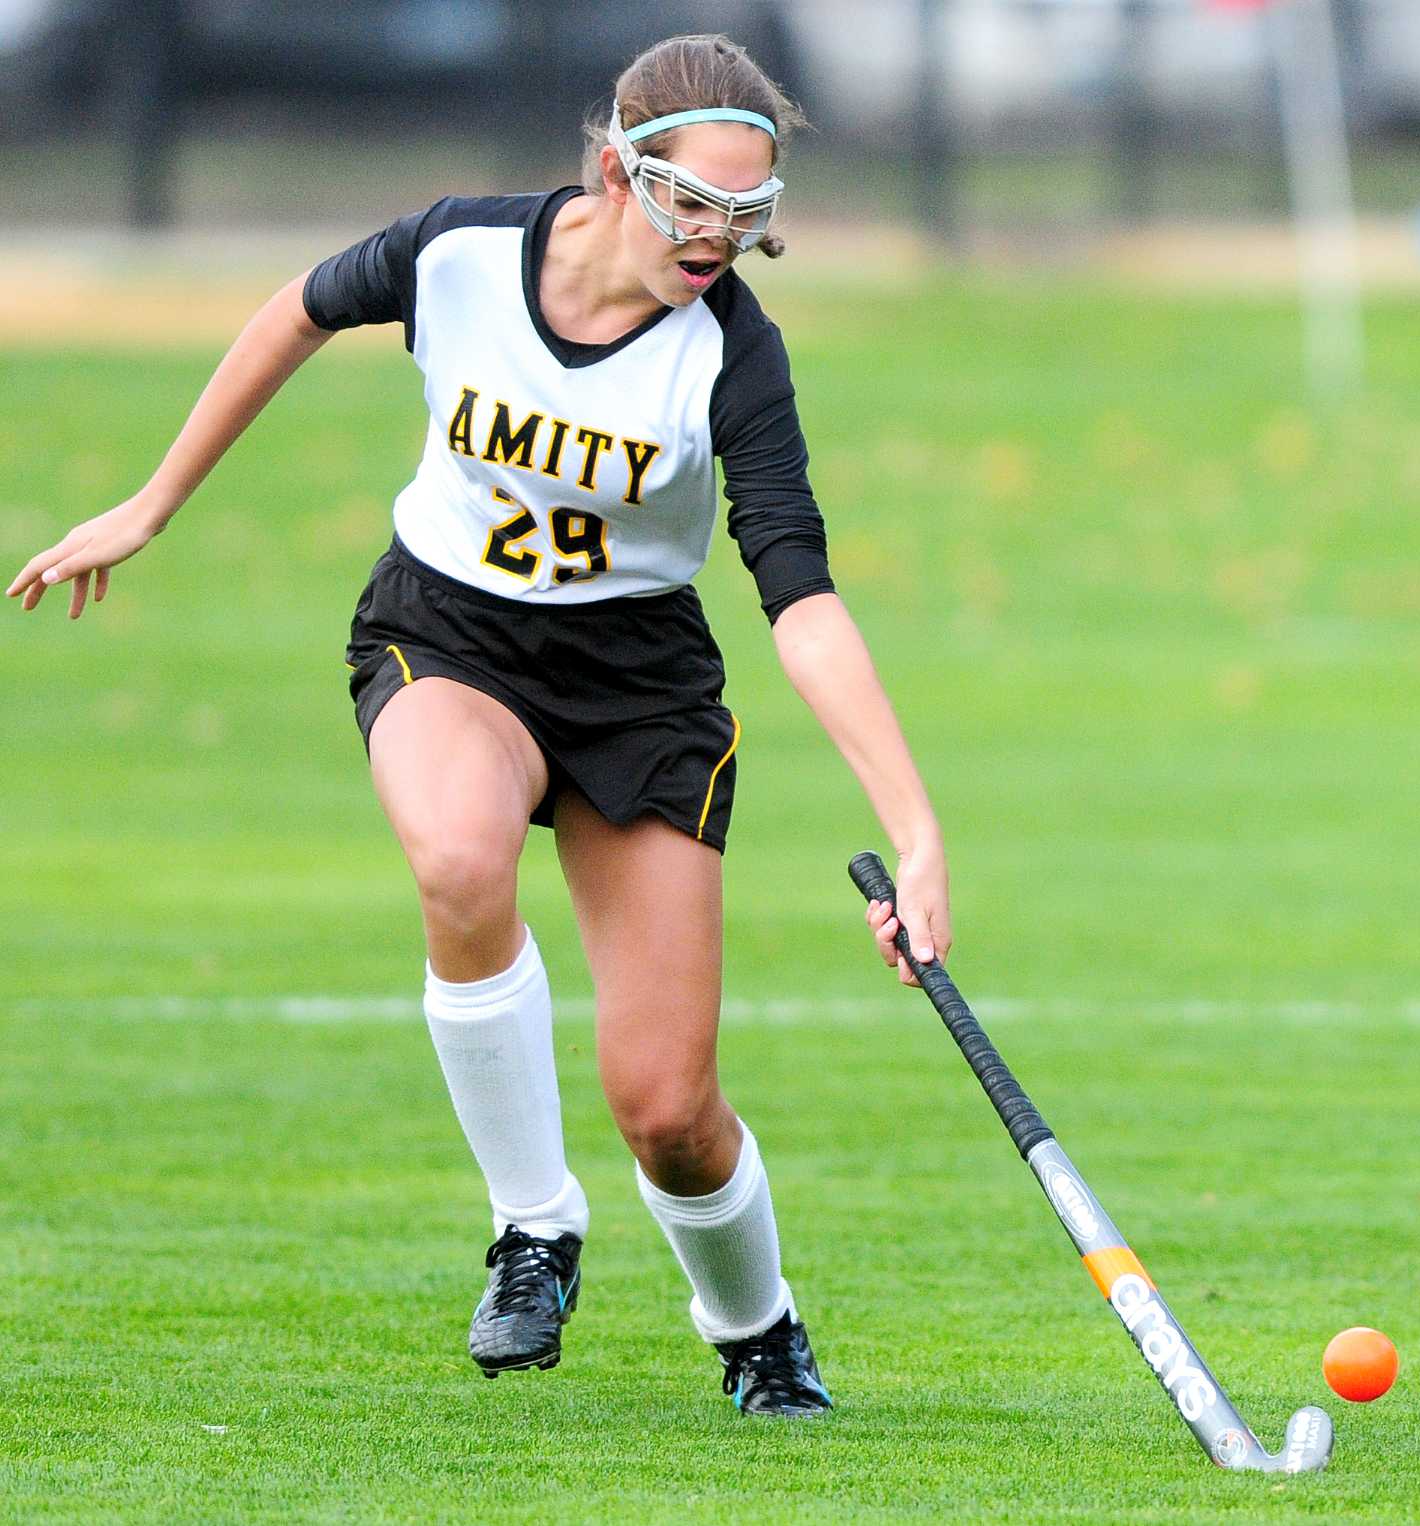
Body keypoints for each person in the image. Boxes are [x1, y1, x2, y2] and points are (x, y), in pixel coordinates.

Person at [7, 33, 952, 1415]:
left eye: (747, 217)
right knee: (457, 857)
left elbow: (798, 597)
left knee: (671, 1115)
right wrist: (153, 501)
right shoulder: (456, 253)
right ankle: (534, 1224)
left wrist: (914, 832)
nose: (718, 240)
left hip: (639, 686)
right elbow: (296, 311)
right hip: (446, 631)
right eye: (694, 204)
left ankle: (756, 1328)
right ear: (620, 169)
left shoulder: (731, 360)